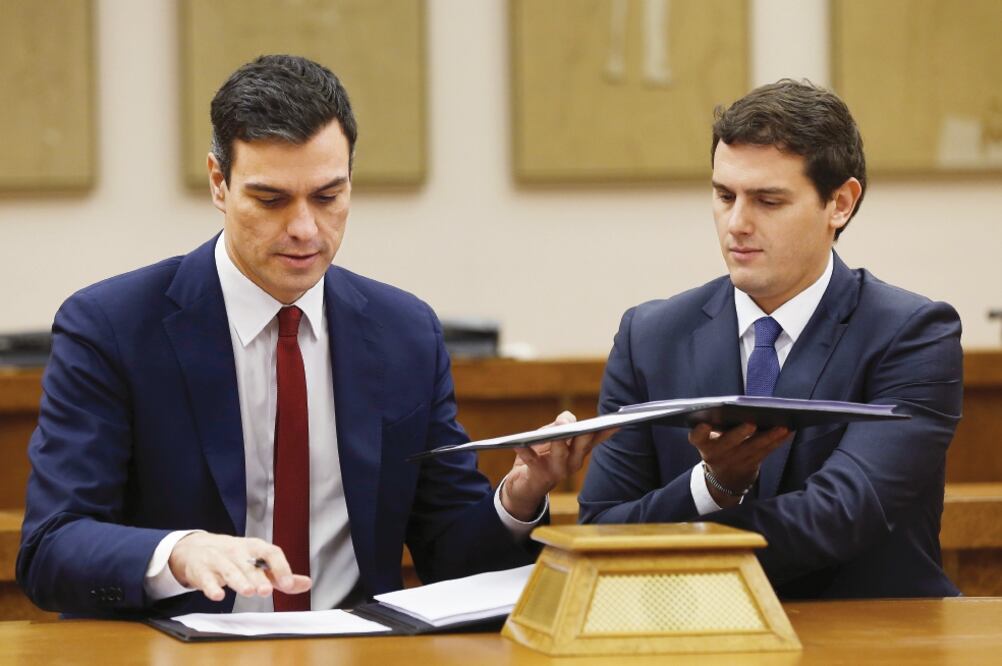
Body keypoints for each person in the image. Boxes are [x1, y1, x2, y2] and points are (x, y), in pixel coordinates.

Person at [17, 55, 608, 616]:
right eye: (270, 199)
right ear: (219, 182)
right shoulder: (113, 328)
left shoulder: (404, 333)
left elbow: (454, 559)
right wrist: (177, 551)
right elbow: (51, 547)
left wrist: (522, 492)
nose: (304, 228)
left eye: (328, 197)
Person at [579, 79, 962, 599]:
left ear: (841, 203)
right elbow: (601, 526)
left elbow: (837, 516)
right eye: (724, 195)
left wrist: (653, 547)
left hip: (870, 639)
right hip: (693, 641)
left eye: (768, 201)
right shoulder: (649, 337)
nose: (736, 223)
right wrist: (711, 486)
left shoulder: (912, 333)